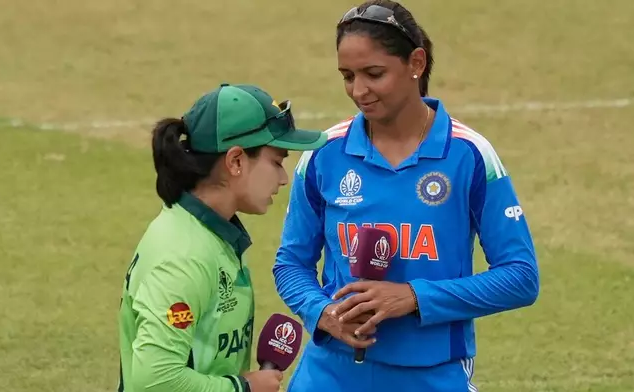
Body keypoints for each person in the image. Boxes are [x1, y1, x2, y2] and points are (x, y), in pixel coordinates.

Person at [272, 1, 540, 391]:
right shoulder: (324, 153)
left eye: (374, 74)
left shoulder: (469, 155)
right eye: (347, 76)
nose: (358, 91)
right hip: (330, 373)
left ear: (416, 63)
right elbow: (290, 264)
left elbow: (520, 277)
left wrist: (413, 297)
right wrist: (323, 311)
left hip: (432, 374)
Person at [116, 83, 328, 392]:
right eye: (277, 161)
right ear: (236, 161)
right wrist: (243, 388)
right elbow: (155, 380)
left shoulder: (212, 235)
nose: (283, 179)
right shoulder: (183, 256)